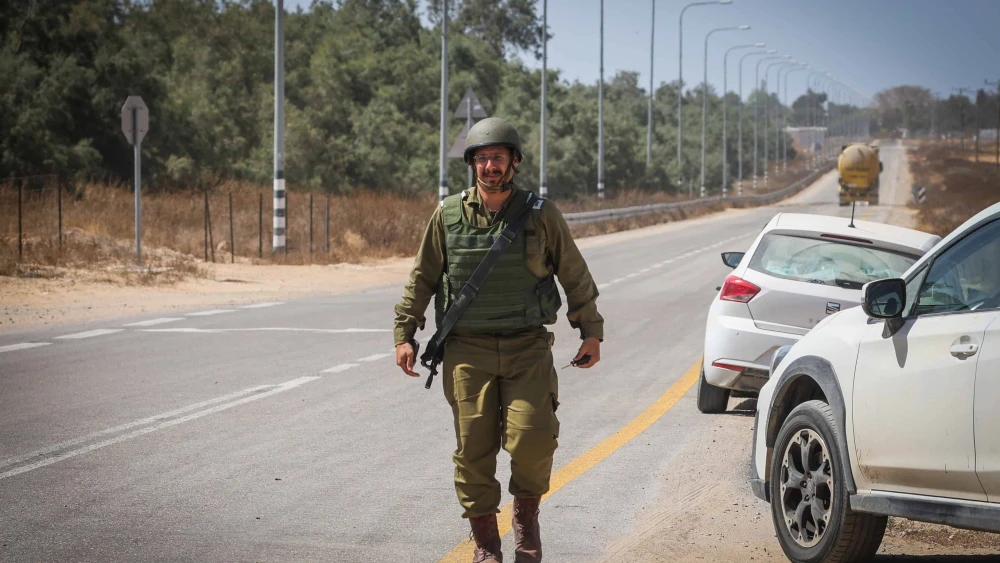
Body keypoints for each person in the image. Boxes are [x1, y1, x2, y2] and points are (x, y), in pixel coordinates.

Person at [393, 117, 604, 563]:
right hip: (467, 351)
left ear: (514, 163)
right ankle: (487, 544)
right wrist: (405, 332)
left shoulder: (541, 214)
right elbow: (422, 277)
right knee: (473, 448)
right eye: (483, 158)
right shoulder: (448, 215)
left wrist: (590, 330)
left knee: (533, 437)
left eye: (498, 158)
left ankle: (526, 523)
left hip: (527, 346)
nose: (490, 166)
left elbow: (574, 273)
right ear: (472, 164)